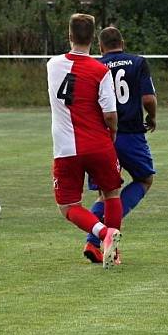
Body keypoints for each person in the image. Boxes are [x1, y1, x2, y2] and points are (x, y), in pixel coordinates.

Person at [46, 13, 122, 268]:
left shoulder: (52, 65)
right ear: (93, 38)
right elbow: (110, 114)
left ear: (69, 36)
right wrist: (111, 135)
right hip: (99, 144)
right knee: (111, 193)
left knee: (68, 206)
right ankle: (114, 248)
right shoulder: (101, 71)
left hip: (65, 148)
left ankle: (102, 233)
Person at [82, 26, 157, 264]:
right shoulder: (138, 62)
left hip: (102, 136)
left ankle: (93, 242)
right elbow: (147, 97)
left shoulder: (94, 65)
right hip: (131, 134)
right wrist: (152, 117)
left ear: (101, 47)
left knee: (105, 194)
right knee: (144, 179)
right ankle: (107, 234)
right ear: (122, 42)